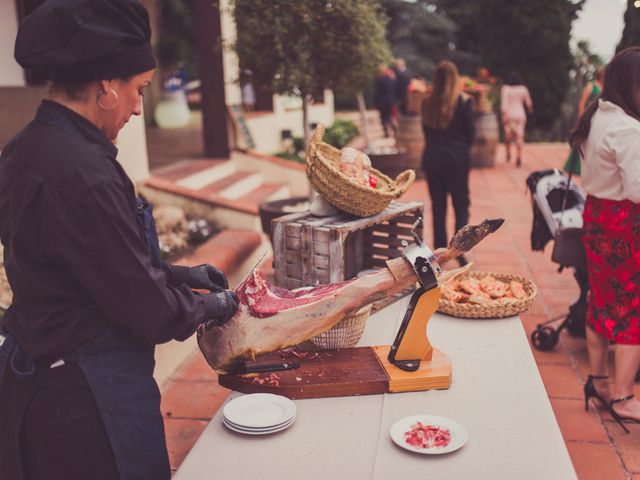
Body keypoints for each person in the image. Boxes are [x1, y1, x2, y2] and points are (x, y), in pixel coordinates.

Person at [0, 1, 239, 479]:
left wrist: (181, 274)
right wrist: (213, 306)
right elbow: (145, 308)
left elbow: (93, 264)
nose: (137, 106)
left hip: (42, 385)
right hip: (85, 401)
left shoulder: (25, 148)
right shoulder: (83, 173)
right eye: (138, 90)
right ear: (107, 84)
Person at [569, 46, 640, 433]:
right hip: (625, 225)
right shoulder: (629, 128)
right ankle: (624, 398)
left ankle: (598, 381)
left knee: (601, 299)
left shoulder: (599, 115)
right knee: (632, 308)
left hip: (597, 216)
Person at [421, 60, 475, 267]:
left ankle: (439, 253)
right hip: (457, 159)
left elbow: (426, 133)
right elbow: (470, 135)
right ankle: (459, 250)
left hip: (433, 159)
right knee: (461, 205)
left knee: (439, 207)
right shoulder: (463, 101)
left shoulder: (427, 103)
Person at [563, 65, 605, 175]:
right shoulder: (591, 86)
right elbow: (582, 102)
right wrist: (582, 117)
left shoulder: (605, 87)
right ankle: (576, 168)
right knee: (582, 140)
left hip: (599, 118)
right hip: (588, 117)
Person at [500, 71, 533, 167]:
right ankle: (519, 155)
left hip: (509, 115)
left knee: (508, 136)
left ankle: (508, 153)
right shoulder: (523, 89)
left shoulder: (506, 89)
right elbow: (529, 104)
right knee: (519, 136)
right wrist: (530, 110)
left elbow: (504, 104)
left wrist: (504, 115)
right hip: (520, 115)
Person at [373, 63, 397, 138]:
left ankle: (386, 132)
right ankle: (394, 128)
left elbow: (378, 93)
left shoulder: (379, 80)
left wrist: (375, 102)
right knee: (389, 116)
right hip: (390, 101)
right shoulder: (391, 79)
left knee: (383, 117)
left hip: (382, 102)